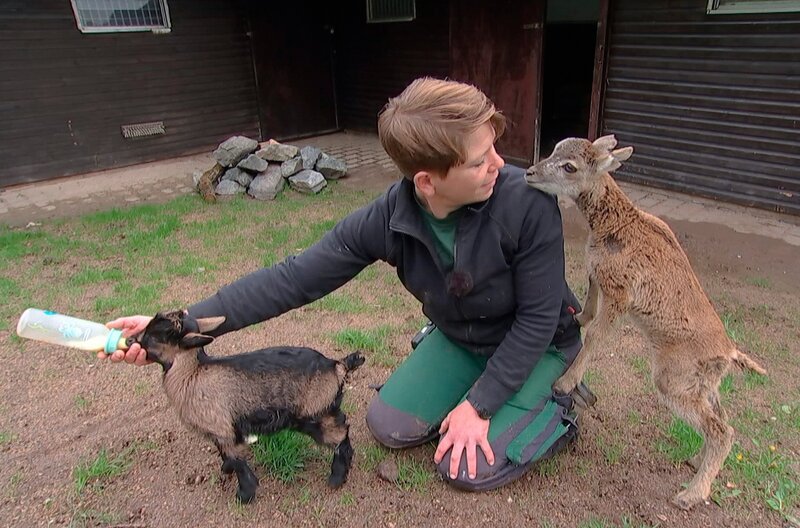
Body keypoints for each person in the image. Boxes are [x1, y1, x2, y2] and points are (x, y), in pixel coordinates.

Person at [103, 77, 589, 491]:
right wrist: (180, 324)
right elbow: (292, 278)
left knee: (467, 467)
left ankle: (558, 406)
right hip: (465, 340)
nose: (500, 165)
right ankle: (467, 375)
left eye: (494, 149)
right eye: (480, 159)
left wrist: (480, 405)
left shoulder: (527, 204)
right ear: (427, 181)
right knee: (389, 427)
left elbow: (539, 317)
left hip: (540, 343)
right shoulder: (388, 218)